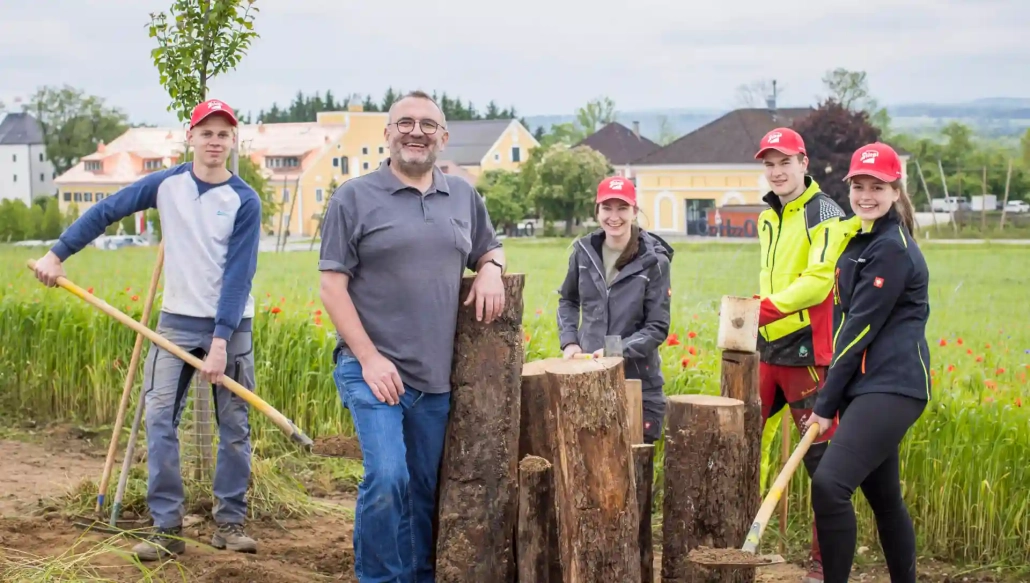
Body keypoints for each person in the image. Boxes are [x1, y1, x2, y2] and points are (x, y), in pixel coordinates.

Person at [31, 99, 263, 561]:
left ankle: (230, 522)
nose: (214, 141)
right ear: (189, 137)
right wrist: (57, 255)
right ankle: (166, 528)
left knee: (234, 425)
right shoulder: (166, 184)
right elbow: (106, 212)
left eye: (223, 134)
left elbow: (238, 275)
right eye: (206, 132)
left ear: (233, 141)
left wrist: (219, 343)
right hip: (175, 322)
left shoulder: (244, 200)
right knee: (159, 419)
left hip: (231, 326)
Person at [318, 90, 507, 583]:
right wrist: (369, 359)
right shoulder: (353, 197)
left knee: (423, 488)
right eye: (405, 122)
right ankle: (379, 578)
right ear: (387, 133)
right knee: (387, 478)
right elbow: (331, 287)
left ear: (442, 137)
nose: (416, 131)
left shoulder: (463, 195)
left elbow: (490, 246)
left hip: (434, 379)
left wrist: (491, 269)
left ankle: (419, 575)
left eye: (427, 124)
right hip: (369, 369)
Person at [803, 142, 930, 583]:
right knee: (884, 497)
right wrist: (838, 394)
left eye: (878, 186)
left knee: (830, 485)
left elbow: (858, 331)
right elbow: (843, 323)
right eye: (859, 186)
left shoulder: (891, 248)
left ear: (896, 191)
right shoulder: (863, 239)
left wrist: (824, 403)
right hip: (867, 387)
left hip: (893, 386)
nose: (866, 195)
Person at [752, 127, 850, 582]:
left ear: (804, 162)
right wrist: (758, 314)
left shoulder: (824, 211)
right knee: (736, 441)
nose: (776, 171)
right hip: (767, 346)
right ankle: (733, 545)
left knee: (822, 465)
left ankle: (821, 564)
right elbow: (773, 275)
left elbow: (819, 280)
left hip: (809, 350)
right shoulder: (767, 215)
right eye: (769, 164)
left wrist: (764, 309)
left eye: (784, 162)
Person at [557, 176, 674, 444]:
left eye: (622, 208)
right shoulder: (583, 253)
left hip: (638, 384)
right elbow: (568, 300)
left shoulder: (654, 261)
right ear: (597, 211)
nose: (614, 216)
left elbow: (657, 327)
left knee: (635, 469)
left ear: (634, 211)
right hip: (588, 379)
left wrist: (615, 351)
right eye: (607, 208)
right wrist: (570, 342)